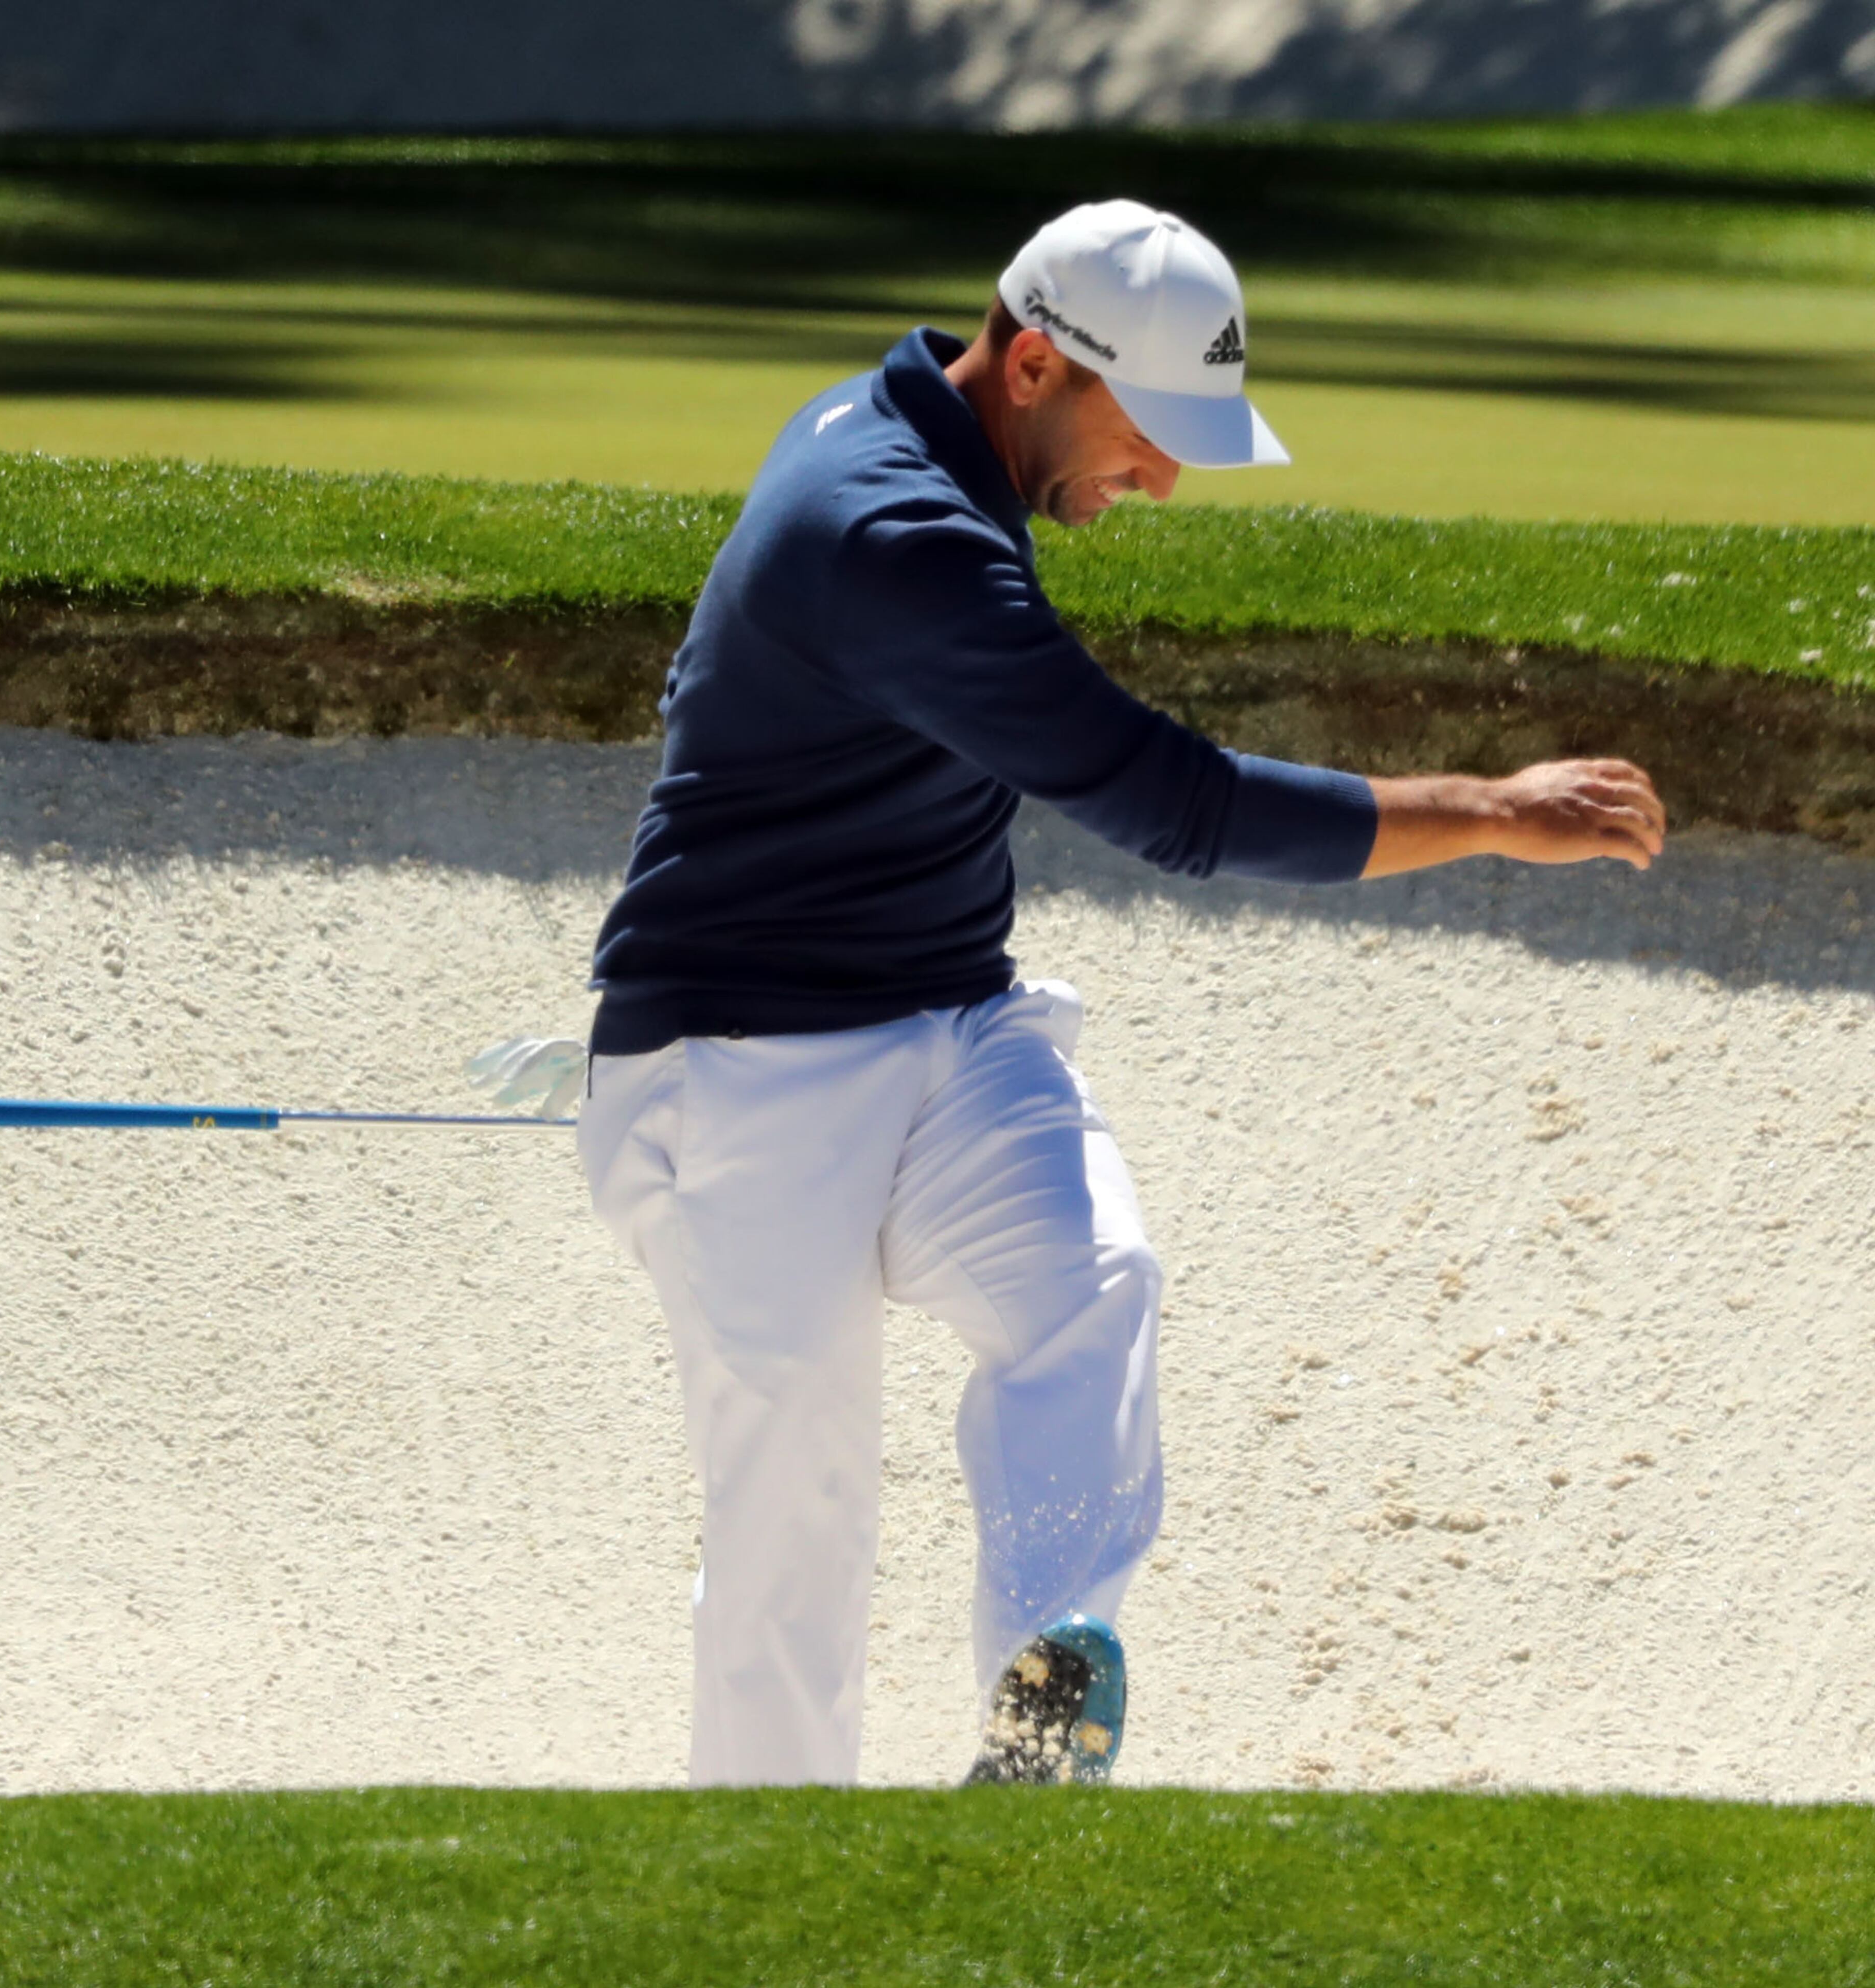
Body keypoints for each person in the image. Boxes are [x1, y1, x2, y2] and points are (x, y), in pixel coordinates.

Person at [552, 200, 1666, 1788]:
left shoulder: (923, 441)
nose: (1160, 477)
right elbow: (1173, 804)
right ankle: (770, 1880)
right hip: (734, 1066)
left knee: (1092, 1285)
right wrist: (1485, 807)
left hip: (945, 1025)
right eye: (1149, 431)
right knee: (798, 1506)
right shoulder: (891, 533)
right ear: (1029, 364)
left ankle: (1039, 1721)